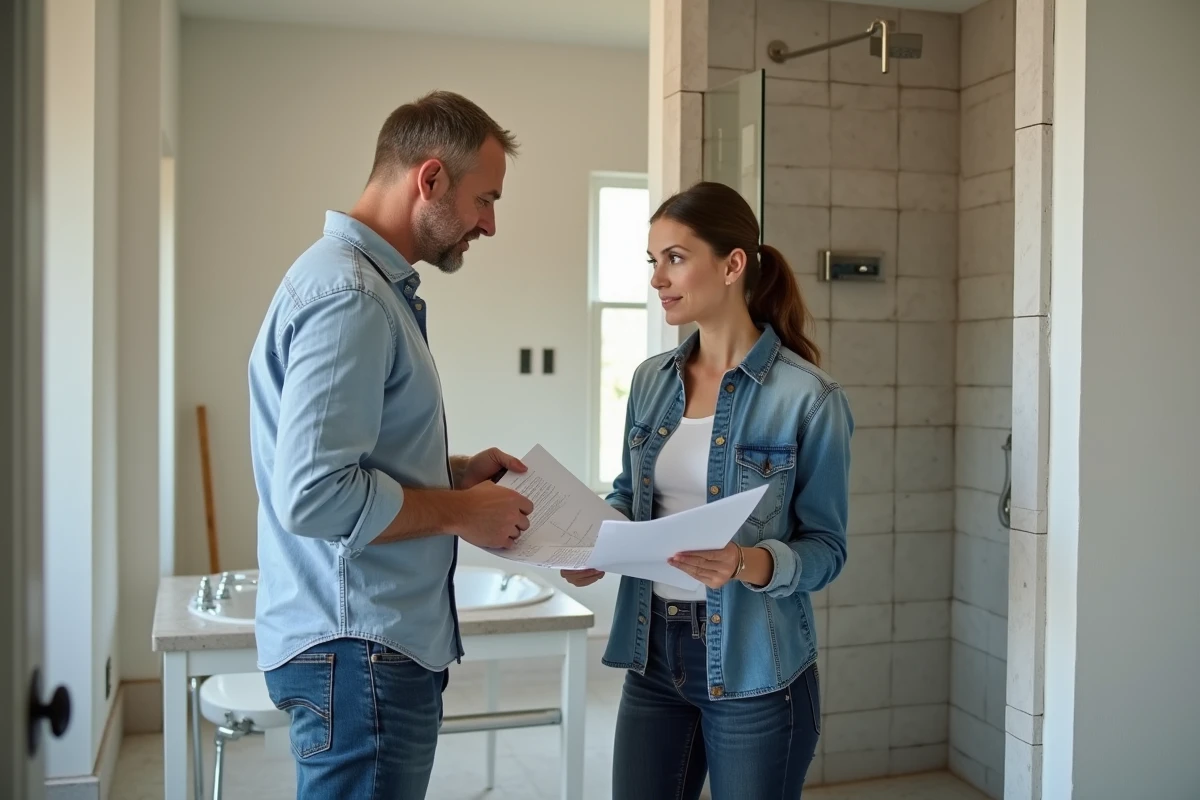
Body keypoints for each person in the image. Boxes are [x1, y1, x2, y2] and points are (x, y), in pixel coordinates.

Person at [247, 90, 535, 799]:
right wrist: (462, 514)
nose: (490, 224)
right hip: (359, 651)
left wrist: (453, 474)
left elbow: (348, 460)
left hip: (358, 650)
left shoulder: (355, 285)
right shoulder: (352, 296)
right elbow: (314, 496)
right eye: (484, 199)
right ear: (430, 179)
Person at [563, 181, 853, 799]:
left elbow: (828, 549)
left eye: (675, 258)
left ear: (732, 264)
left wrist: (746, 562)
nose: (657, 278)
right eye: (653, 260)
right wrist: (599, 541)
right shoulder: (651, 381)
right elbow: (630, 494)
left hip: (757, 668)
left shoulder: (809, 398)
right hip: (653, 654)